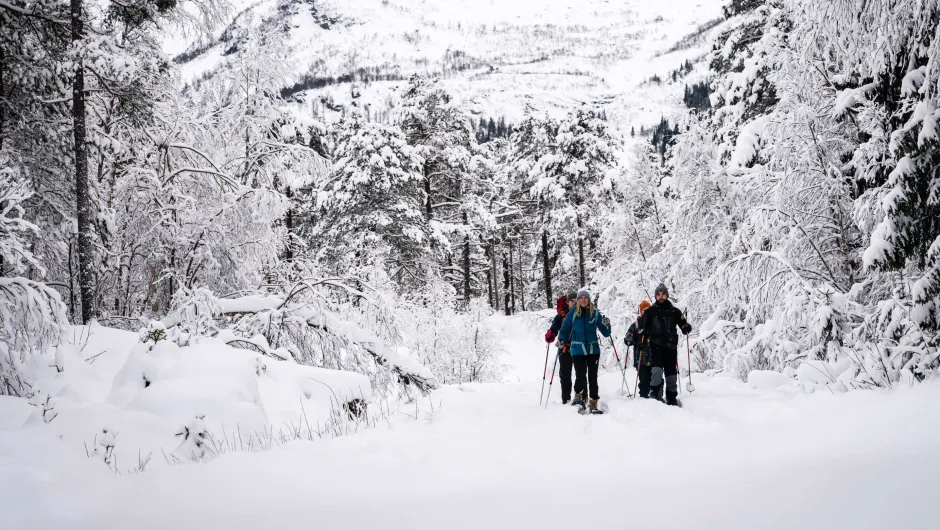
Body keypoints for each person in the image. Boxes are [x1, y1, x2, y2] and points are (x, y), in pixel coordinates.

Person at [637, 284, 691, 406]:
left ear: (667, 295)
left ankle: (671, 398)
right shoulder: (650, 312)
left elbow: (683, 324)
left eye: (663, 294)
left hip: (671, 347)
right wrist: (642, 343)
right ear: (655, 296)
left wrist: (686, 327)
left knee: (671, 375)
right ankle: (656, 396)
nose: (661, 296)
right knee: (656, 372)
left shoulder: (674, 311)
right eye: (658, 294)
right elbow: (644, 330)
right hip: (656, 347)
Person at [559, 289, 612, 412]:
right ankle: (578, 398)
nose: (583, 300)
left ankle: (593, 402)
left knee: (593, 377)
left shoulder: (595, 313)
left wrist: (607, 324)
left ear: (588, 300)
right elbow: (564, 329)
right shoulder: (572, 314)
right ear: (578, 300)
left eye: (585, 298)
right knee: (580, 376)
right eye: (581, 298)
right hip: (577, 350)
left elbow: (606, 333)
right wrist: (561, 340)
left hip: (593, 350)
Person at [544, 290, 577, 404]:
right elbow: (554, 328)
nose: (574, 303)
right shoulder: (561, 315)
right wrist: (550, 335)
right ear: (568, 302)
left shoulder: (582, 314)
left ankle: (580, 399)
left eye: (576, 301)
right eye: (572, 301)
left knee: (580, 375)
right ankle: (566, 400)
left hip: (579, 348)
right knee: (565, 375)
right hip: (564, 347)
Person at [624, 299, 652, 397]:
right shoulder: (636, 324)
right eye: (644, 309)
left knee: (653, 377)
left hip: (653, 356)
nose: (646, 311)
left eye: (648, 309)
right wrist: (628, 338)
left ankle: (654, 395)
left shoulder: (654, 322)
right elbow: (629, 334)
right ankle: (644, 395)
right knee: (643, 378)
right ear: (641, 311)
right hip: (640, 356)